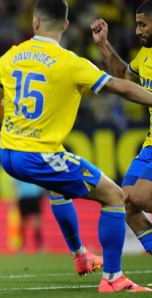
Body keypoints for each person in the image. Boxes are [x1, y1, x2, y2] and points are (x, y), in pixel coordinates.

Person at [0, 0, 152, 292]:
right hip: (38, 155)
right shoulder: (70, 62)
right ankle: (113, 278)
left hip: (8, 152)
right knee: (113, 195)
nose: (137, 31)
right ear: (66, 26)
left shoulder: (10, 56)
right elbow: (121, 85)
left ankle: (81, 255)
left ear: (35, 22)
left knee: (61, 187)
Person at [90, 1, 152, 257]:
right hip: (150, 143)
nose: (137, 32)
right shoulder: (146, 55)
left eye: (143, 24)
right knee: (122, 202)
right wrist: (103, 45)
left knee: (142, 196)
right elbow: (126, 78)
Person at [13, 179, 44, 253]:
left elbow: (15, 185)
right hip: (29, 196)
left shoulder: (18, 169)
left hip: (29, 196)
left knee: (29, 223)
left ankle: (38, 246)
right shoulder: (36, 167)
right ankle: (38, 247)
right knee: (27, 224)